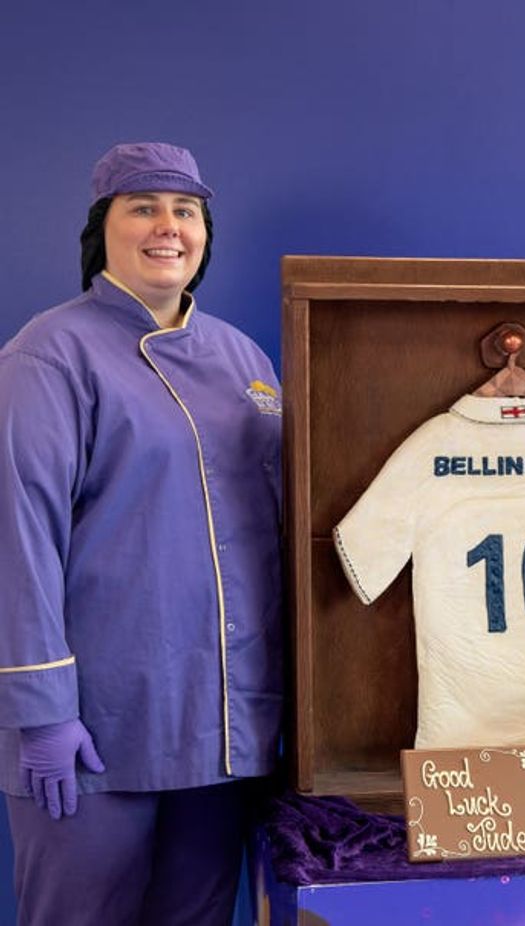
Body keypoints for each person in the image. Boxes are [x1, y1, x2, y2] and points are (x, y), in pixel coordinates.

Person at [0, 142, 284, 925]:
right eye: (144, 207)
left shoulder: (245, 361)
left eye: (185, 210)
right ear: (104, 228)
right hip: (99, 730)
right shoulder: (48, 355)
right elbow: (17, 535)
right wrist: (40, 708)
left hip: (224, 732)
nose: (168, 227)